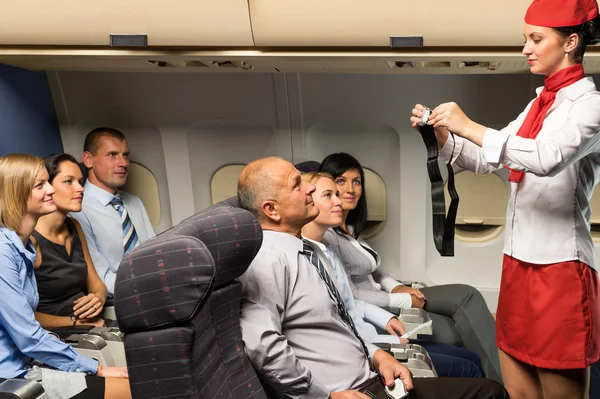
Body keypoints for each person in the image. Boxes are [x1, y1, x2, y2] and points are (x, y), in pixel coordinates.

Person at [410, 0, 600, 397]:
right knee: (518, 389)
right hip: (517, 264)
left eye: (536, 39)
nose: (526, 49)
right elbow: (487, 157)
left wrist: (469, 124)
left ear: (571, 42)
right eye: (524, 39)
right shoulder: (537, 104)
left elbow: (545, 158)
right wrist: (444, 137)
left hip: (559, 269)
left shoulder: (590, 106)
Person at [237, 156, 508, 399]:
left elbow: (339, 322)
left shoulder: (308, 252)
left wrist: (376, 356)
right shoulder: (268, 260)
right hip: (350, 391)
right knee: (489, 392)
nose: (309, 187)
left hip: (370, 374)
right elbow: (264, 347)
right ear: (272, 210)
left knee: (489, 389)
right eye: (297, 184)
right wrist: (326, 397)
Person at [319, 152, 502, 382]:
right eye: (341, 181)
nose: (350, 189)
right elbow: (350, 295)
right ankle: (499, 382)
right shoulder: (327, 235)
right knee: (453, 330)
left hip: (387, 297)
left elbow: (374, 269)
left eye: (356, 181)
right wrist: (402, 300)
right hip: (379, 309)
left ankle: (500, 381)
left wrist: (397, 287)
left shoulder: (351, 228)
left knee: (467, 295)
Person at [0, 153, 130, 399]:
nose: (50, 189)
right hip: (11, 374)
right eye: (40, 185)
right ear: (17, 193)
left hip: (28, 362)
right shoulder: (2, 252)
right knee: (126, 388)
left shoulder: (22, 247)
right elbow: (27, 336)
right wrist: (98, 368)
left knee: (131, 383)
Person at [71, 128, 155, 296]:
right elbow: (99, 277)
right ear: (88, 160)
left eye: (125, 155)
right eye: (112, 155)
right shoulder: (78, 210)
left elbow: (154, 250)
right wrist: (148, 288)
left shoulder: (134, 202)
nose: (123, 163)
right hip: (120, 296)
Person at [32, 154, 108, 329]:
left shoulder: (74, 226)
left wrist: (98, 298)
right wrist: (74, 323)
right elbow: (21, 315)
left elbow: (96, 283)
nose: (80, 189)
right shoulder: (30, 240)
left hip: (90, 323)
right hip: (58, 330)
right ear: (47, 187)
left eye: (80, 182)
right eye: (68, 181)